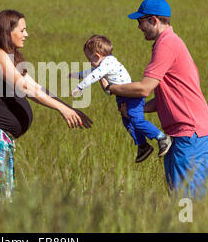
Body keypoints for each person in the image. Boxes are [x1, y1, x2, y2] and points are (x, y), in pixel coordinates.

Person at [0, 9, 92, 200]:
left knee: (2, 199)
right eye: (22, 30)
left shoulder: (10, 57)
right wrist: (61, 109)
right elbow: (24, 87)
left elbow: (35, 86)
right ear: (8, 31)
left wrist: (67, 107)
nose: (27, 34)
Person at [102, 0, 208, 198]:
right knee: (178, 196)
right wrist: (138, 109)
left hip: (190, 133)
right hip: (180, 133)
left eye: (141, 21)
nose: (139, 27)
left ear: (154, 20)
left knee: (186, 199)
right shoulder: (165, 43)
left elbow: (145, 88)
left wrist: (112, 88)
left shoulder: (167, 44)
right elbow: (165, 96)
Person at [70, 35, 172, 163]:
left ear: (96, 56)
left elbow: (94, 75)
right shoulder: (103, 63)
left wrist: (79, 87)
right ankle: (143, 146)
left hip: (132, 96)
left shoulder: (107, 64)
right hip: (123, 96)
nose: (89, 62)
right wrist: (76, 75)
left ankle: (162, 137)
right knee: (127, 122)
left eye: (89, 59)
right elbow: (91, 71)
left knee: (137, 121)